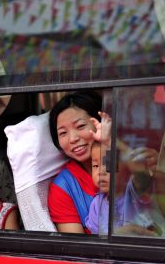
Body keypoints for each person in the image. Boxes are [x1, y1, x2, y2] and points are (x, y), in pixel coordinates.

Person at [47, 91, 101, 233]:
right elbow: (78, 249)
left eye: (80, 126)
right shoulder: (62, 188)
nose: (73, 139)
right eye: (63, 133)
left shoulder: (125, 163)